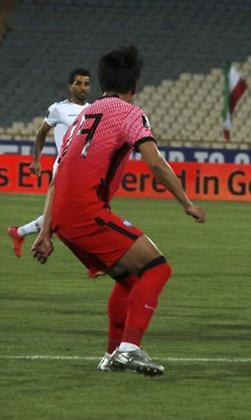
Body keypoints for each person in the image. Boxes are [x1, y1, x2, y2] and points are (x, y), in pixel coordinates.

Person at [31, 46, 207, 376]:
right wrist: (187, 202)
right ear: (134, 85)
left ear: (100, 82)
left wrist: (45, 230)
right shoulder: (129, 113)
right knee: (157, 268)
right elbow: (155, 163)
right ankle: (129, 349)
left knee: (128, 280)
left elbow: (57, 176)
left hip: (65, 219)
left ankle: (112, 354)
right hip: (87, 212)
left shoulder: (82, 116)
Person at [7, 69, 93, 267]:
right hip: (64, 167)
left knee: (64, 214)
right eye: (78, 83)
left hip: (85, 169)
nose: (83, 87)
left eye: (86, 83)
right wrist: (36, 159)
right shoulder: (58, 109)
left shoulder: (93, 109)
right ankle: (92, 261)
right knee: (74, 214)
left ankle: (19, 232)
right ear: (70, 85)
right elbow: (41, 133)